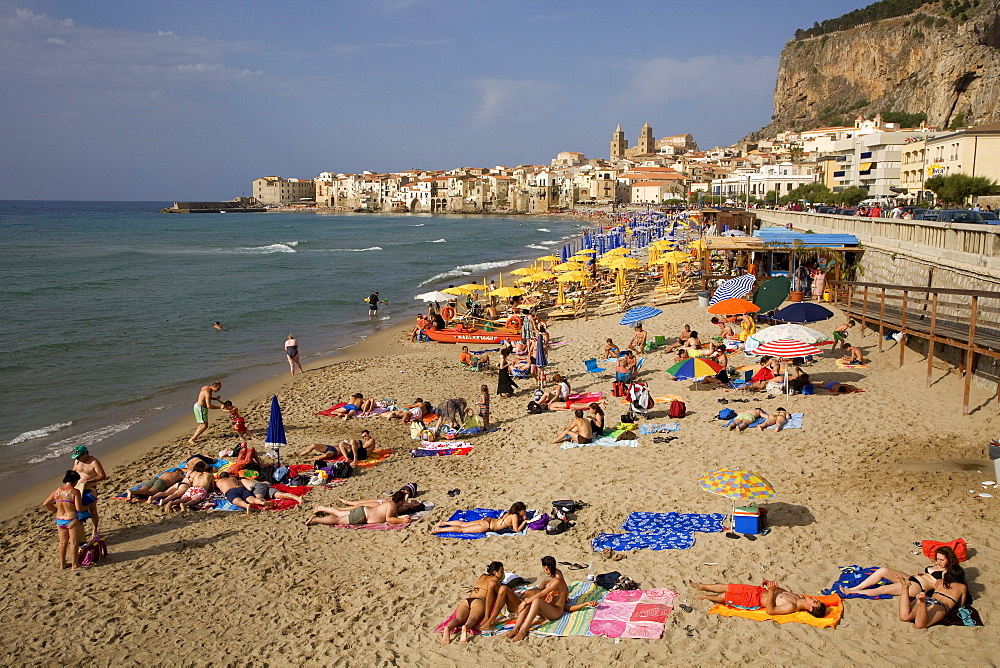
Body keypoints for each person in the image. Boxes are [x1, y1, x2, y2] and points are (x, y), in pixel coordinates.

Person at [840, 546, 965, 599]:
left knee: (884, 589)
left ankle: (852, 592)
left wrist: (934, 582)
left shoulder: (948, 572)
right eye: (937, 559)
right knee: (884, 570)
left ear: (949, 559)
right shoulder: (937, 566)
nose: (939, 562)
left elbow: (945, 587)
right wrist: (924, 574)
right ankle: (857, 587)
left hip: (917, 587)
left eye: (942, 560)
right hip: (913, 579)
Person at [506, 556, 569, 642]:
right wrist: (566, 597)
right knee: (530, 601)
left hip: (555, 611)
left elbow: (542, 593)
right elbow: (565, 587)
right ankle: (516, 628)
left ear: (546, 568)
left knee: (535, 601)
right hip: (548, 607)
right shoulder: (557, 573)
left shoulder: (557, 580)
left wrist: (524, 602)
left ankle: (523, 630)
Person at [690, 580, 826, 618]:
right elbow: (784, 592)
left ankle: (706, 596)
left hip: (755, 601)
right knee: (729, 587)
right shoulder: (800, 596)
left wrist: (772, 592)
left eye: (815, 602)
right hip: (759, 591)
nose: (814, 599)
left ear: (810, 608)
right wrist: (772, 586)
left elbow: (770, 611)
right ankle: (701, 586)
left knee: (725, 596)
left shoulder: (791, 606)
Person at [42, 470, 85, 570]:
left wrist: (56, 510)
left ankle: (62, 564)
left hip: (60, 519)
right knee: (73, 543)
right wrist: (86, 508)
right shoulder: (75, 492)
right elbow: (79, 508)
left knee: (62, 542)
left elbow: (46, 504)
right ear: (75, 481)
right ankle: (74, 565)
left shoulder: (56, 491)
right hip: (72, 519)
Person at [896, 571, 968, 629]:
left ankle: (905, 587)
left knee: (905, 616)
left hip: (930, 598)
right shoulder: (962, 587)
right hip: (940, 605)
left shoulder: (940, 581)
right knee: (919, 625)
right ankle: (922, 602)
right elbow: (961, 604)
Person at [306, 491, 411, 526]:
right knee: (338, 520)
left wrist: (401, 517)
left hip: (364, 511)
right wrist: (401, 521)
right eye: (404, 501)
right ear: (400, 501)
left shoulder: (390, 503)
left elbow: (393, 516)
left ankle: (320, 507)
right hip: (363, 515)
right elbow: (388, 519)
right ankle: (315, 520)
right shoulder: (392, 505)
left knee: (339, 514)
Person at [71, 445, 106, 538]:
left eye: (79, 456)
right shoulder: (77, 461)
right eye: (76, 457)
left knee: (92, 510)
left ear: (85, 454)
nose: (77, 458)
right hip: (78, 488)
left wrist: (90, 481)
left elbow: (102, 475)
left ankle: (95, 530)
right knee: (76, 509)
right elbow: (73, 472)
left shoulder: (94, 462)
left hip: (90, 488)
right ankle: (80, 530)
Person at [431, 502, 528, 535]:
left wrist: (523, 517)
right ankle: (439, 529)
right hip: (487, 526)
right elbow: (516, 530)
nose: (525, 512)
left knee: (464, 524)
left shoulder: (509, 513)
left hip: (488, 520)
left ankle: (443, 523)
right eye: (524, 510)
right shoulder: (514, 516)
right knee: (462, 530)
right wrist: (525, 522)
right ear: (520, 510)